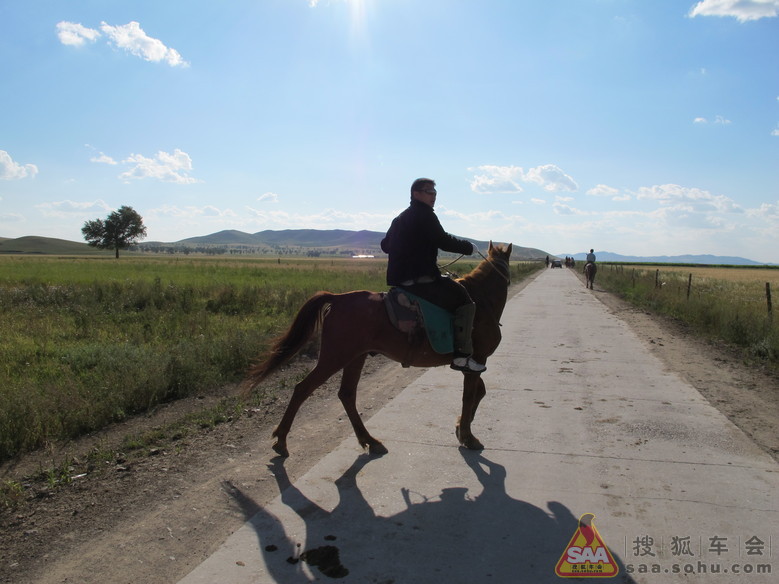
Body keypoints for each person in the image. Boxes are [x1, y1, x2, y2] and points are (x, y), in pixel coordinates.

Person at [381, 178, 486, 373]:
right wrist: (468, 247)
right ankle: (462, 356)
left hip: (400, 281)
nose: (434, 196)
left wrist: (410, 247)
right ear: (416, 194)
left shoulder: (400, 218)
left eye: (435, 192)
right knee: (464, 299)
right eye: (429, 191)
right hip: (422, 281)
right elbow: (443, 240)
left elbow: (385, 245)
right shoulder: (425, 215)